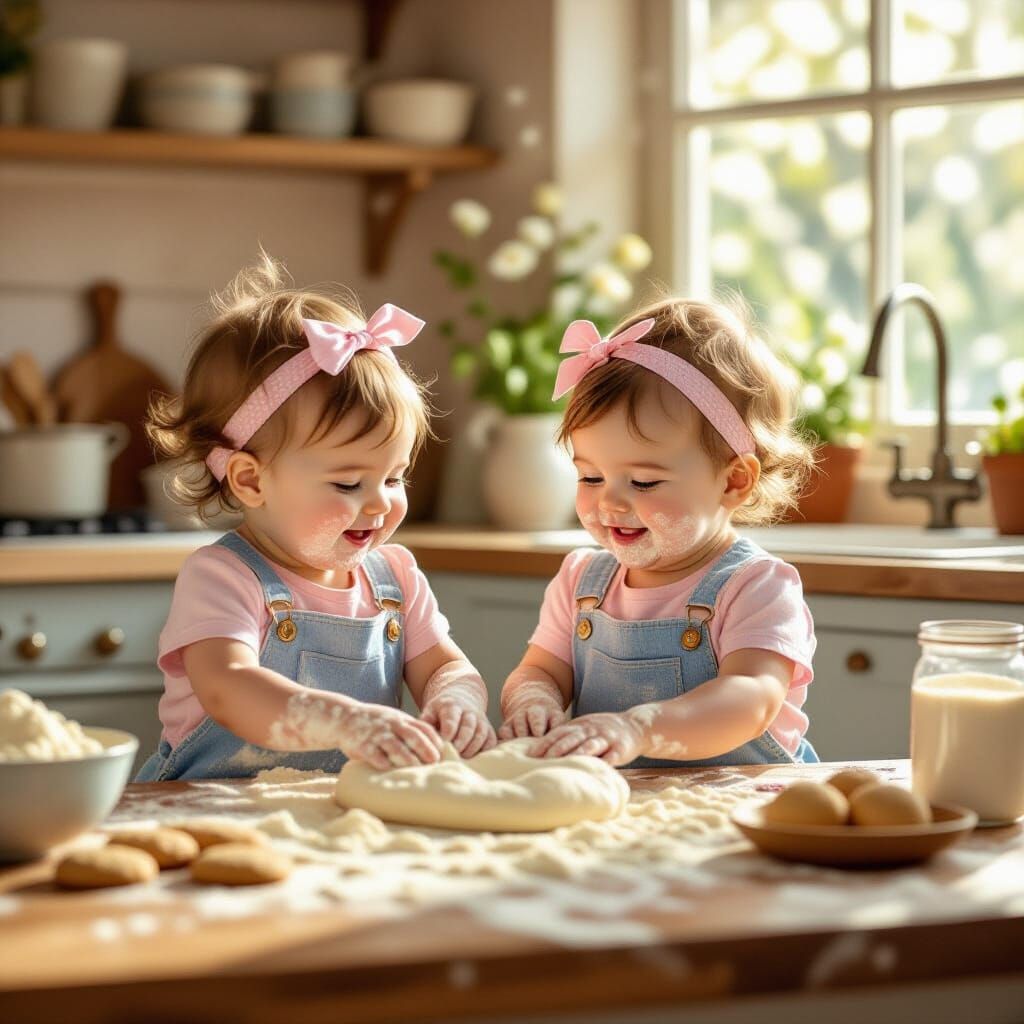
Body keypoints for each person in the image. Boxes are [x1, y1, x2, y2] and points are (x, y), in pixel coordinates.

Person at [136, 256, 495, 781]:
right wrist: (344, 723)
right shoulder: (223, 577)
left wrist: (457, 699)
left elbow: (444, 665)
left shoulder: (395, 579)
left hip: (340, 819)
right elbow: (228, 687)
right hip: (210, 809)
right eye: (349, 483)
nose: (378, 503)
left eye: (394, 478)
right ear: (251, 481)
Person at [499, 297, 819, 768]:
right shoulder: (582, 581)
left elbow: (751, 698)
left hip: (743, 804)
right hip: (626, 809)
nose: (609, 502)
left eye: (644, 482)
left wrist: (638, 728)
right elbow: (540, 669)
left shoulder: (757, 587)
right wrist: (533, 701)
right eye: (590, 477)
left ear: (733, 481)